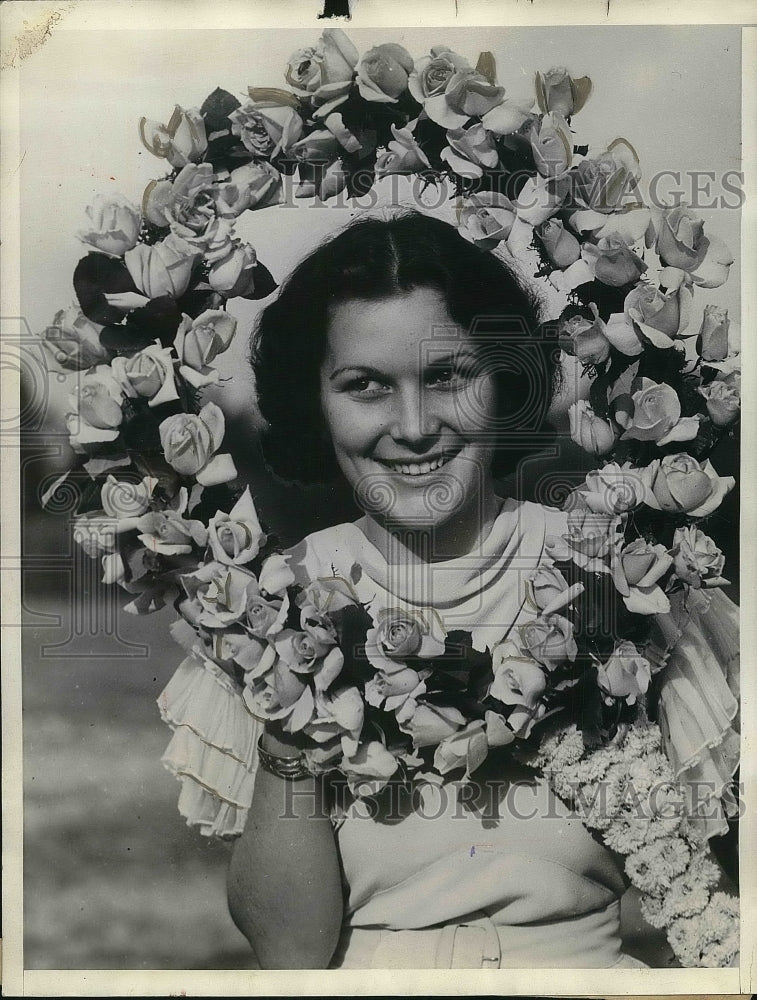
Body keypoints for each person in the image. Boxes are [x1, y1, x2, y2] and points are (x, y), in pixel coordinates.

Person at [225, 210, 658, 970]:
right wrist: (289, 719)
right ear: (313, 403)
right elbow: (289, 952)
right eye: (365, 387)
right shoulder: (272, 601)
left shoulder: (609, 571)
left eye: (446, 376)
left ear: (504, 380)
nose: (415, 426)